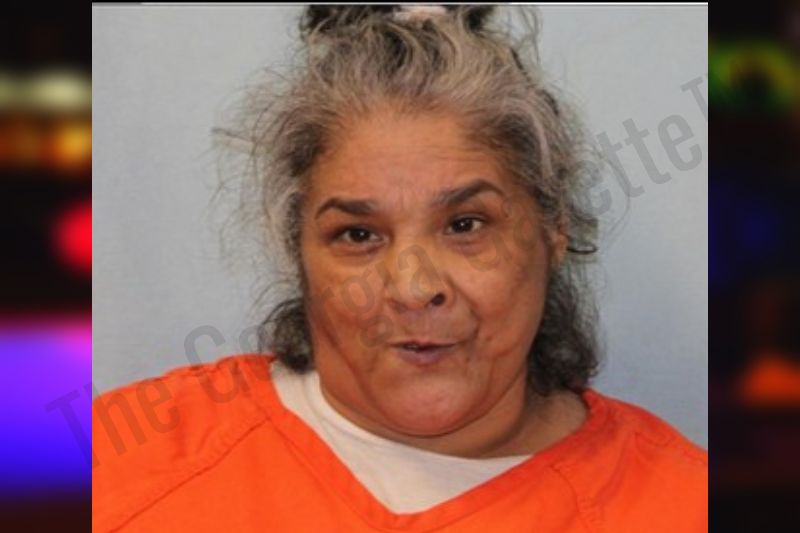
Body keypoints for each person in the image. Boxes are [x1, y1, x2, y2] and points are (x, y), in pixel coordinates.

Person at [92, 5, 707, 532]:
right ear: (298, 254)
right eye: (358, 235)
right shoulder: (122, 464)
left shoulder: (677, 505)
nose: (413, 288)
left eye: (466, 225)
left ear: (553, 234)